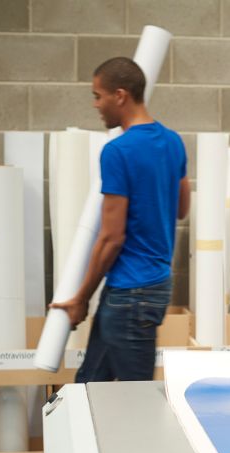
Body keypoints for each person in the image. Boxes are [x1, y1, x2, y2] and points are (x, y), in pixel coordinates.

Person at [51, 57, 190, 382]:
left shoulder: (118, 151)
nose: (96, 105)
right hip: (150, 286)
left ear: (120, 95)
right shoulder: (172, 142)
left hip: (132, 294)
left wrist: (81, 298)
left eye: (98, 95)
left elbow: (112, 237)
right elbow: (182, 208)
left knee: (135, 396)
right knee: (89, 385)